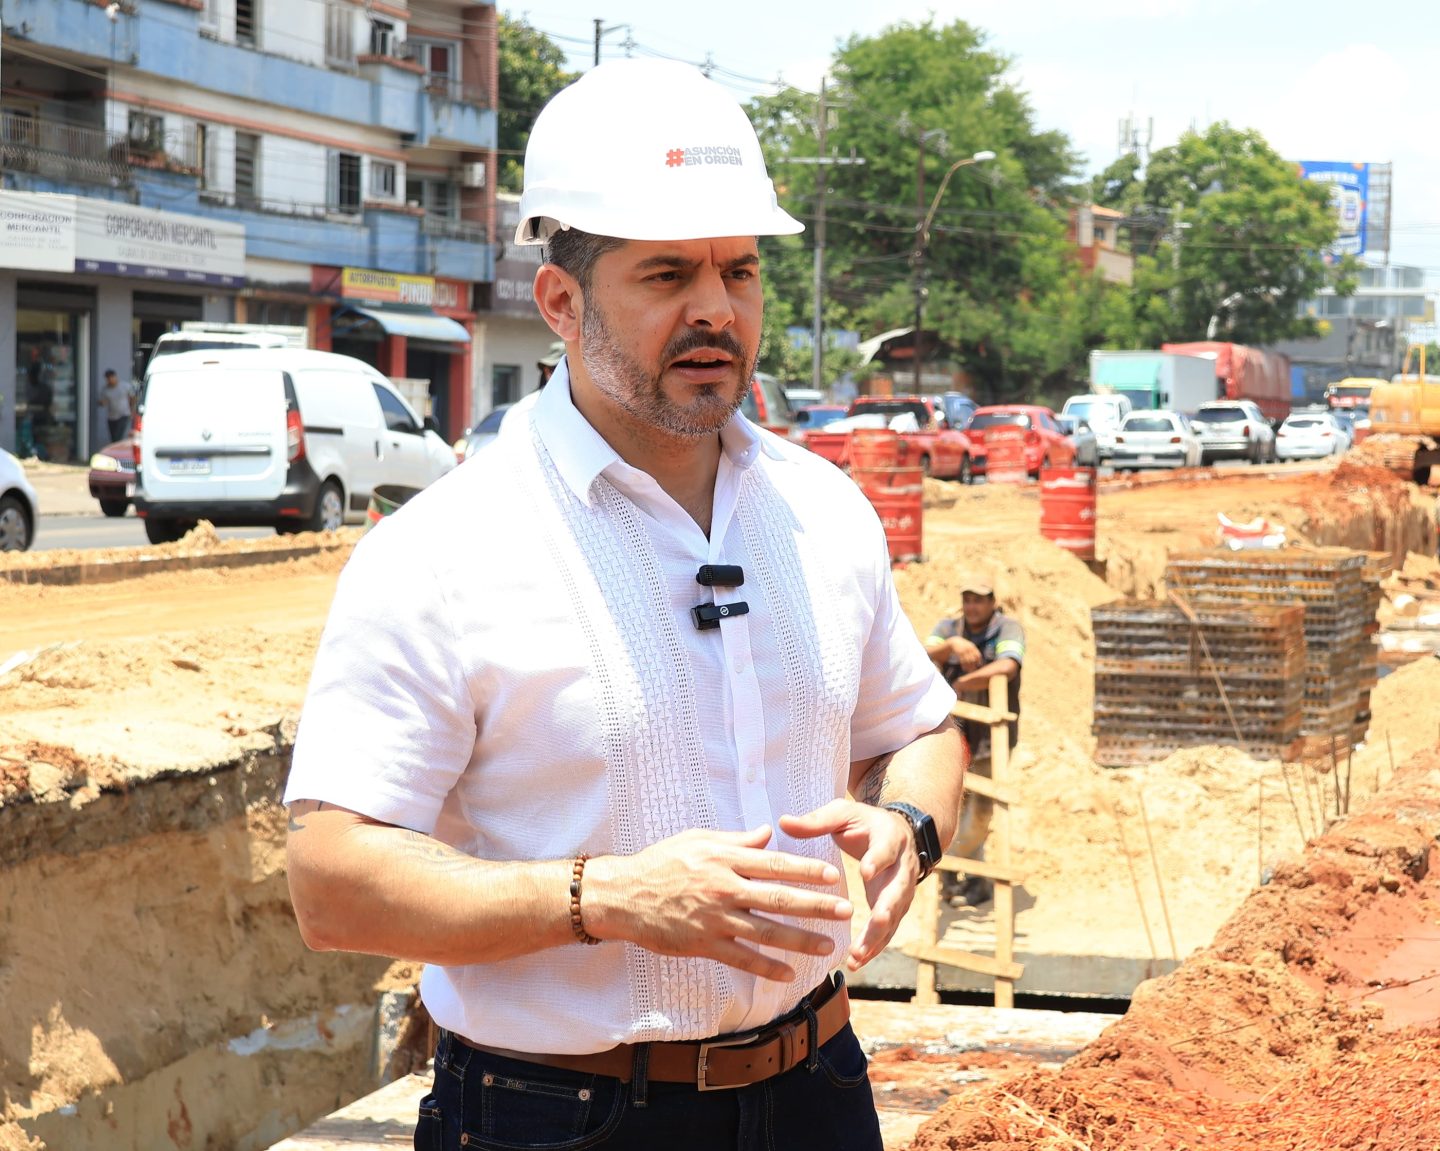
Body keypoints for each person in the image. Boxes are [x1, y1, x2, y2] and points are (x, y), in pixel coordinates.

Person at [282, 59, 967, 1150]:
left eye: (739, 270)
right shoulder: (441, 552)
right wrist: (605, 896)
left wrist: (908, 825)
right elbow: (331, 880)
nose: (716, 309)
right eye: (666, 274)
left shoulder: (821, 511)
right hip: (557, 1115)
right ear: (561, 301)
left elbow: (920, 729)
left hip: (818, 1091)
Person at [923, 574, 1024, 908]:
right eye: (968, 600)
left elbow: (1008, 665)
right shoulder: (950, 628)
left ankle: (949, 865)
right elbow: (920, 654)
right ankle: (963, 881)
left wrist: (966, 682)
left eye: (979, 600)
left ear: (992, 602)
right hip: (951, 738)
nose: (972, 606)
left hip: (991, 740)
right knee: (951, 809)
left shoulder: (1006, 629)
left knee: (980, 811)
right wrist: (952, 646)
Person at [102, 369, 132, 445]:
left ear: (115, 377)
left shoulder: (125, 386)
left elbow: (133, 398)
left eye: (111, 378)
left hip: (123, 414)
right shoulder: (106, 389)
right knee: (113, 438)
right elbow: (103, 401)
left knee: (118, 437)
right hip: (111, 417)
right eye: (108, 379)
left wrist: (132, 410)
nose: (110, 380)